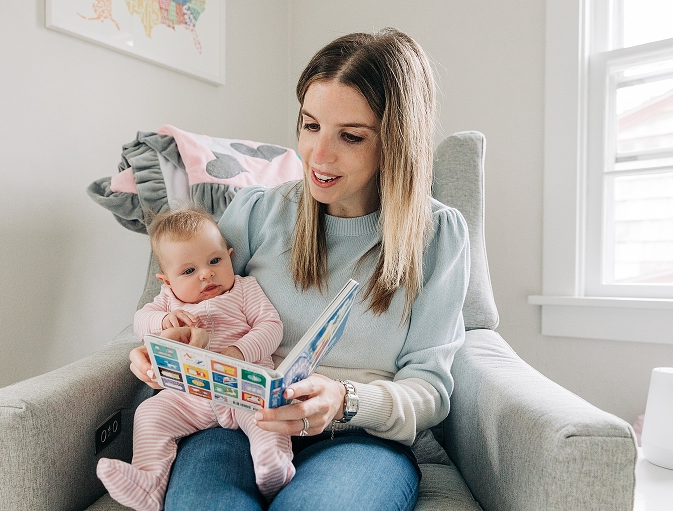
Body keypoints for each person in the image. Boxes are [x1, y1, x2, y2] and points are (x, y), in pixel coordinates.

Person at [128, 27, 470, 511]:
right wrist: (159, 350)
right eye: (310, 126)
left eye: (350, 136)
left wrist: (346, 399)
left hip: (356, 440)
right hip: (235, 423)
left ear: (396, 143)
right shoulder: (257, 212)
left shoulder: (438, 235)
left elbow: (431, 389)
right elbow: (185, 305)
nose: (318, 157)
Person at [97, 208, 293, 511]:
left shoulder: (243, 290)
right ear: (167, 280)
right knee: (149, 413)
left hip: (241, 386)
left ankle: (273, 465)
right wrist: (164, 321)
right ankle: (149, 482)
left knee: (268, 414)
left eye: (215, 260)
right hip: (189, 396)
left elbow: (271, 327)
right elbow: (140, 322)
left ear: (229, 256)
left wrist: (238, 353)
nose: (206, 273)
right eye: (188, 271)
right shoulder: (167, 301)